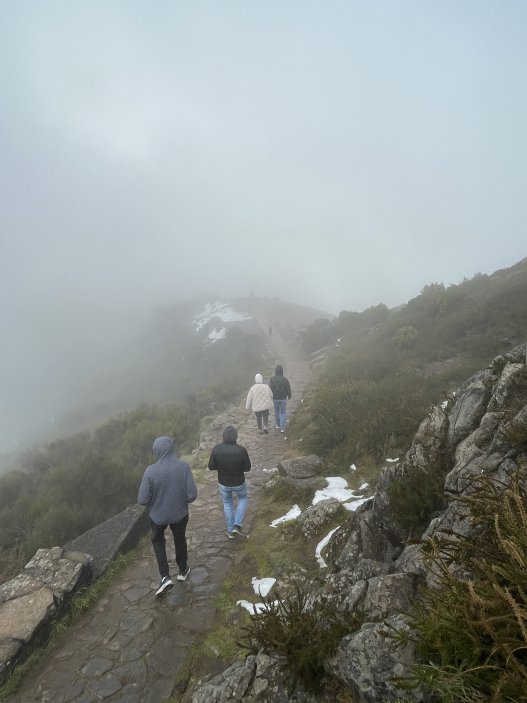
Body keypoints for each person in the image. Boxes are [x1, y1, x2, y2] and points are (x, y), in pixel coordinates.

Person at [138, 436, 197, 596]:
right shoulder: (183, 466)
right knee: (180, 539)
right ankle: (183, 569)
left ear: (156, 451)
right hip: (179, 514)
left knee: (158, 541)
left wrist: (156, 502)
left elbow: (142, 499)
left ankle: (165, 577)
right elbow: (192, 495)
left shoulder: (150, 471)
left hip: (157, 516)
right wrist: (178, 499)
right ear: (172, 449)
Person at [208, 425, 251, 539]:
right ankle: (237, 524)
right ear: (236, 436)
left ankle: (231, 530)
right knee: (243, 498)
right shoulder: (241, 450)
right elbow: (247, 468)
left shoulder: (216, 449)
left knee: (227, 504)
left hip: (224, 483)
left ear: (223, 437)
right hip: (239, 482)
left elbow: (211, 466)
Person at [269, 364, 292, 433]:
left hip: (275, 399)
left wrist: (270, 397)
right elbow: (288, 388)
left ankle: (278, 425)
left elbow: (270, 389)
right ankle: (282, 428)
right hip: (283, 399)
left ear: (275, 371)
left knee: (276, 412)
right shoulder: (285, 379)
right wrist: (289, 395)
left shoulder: (272, 379)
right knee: (282, 412)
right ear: (282, 371)